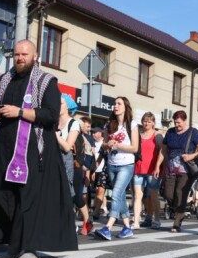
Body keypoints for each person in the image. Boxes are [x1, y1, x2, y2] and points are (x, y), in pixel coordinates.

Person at [0, 40, 77, 258]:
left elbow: (51, 116)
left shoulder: (46, 81)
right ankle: (12, 240)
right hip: (4, 150)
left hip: (34, 151)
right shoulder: (6, 79)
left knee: (27, 201)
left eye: (25, 54)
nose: (20, 58)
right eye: (16, 54)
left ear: (35, 56)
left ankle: (27, 248)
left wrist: (20, 112)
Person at [154, 110, 198, 233]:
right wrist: (157, 166)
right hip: (171, 169)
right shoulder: (170, 132)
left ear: (185, 120)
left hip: (186, 170)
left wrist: (192, 156)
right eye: (175, 122)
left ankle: (177, 222)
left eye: (179, 123)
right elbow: (163, 150)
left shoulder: (193, 132)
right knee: (168, 194)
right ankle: (180, 210)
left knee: (180, 193)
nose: (177, 125)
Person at [95, 97, 139, 241]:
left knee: (115, 194)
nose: (116, 106)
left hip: (126, 165)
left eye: (119, 104)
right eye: (115, 103)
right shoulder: (109, 124)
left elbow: (135, 148)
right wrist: (108, 144)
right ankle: (127, 227)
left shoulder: (131, 124)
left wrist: (119, 145)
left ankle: (108, 227)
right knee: (119, 196)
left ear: (126, 107)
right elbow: (103, 145)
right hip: (112, 164)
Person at [56, 95, 93, 236]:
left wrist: (56, 136)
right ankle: (66, 224)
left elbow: (67, 147)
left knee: (76, 197)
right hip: (57, 163)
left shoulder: (74, 124)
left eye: (61, 103)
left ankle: (87, 220)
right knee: (60, 195)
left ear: (68, 106)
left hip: (74, 165)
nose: (57, 105)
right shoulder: (54, 122)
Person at [133, 112, 163, 229]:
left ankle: (156, 219)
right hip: (138, 168)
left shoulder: (157, 135)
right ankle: (136, 221)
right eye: (145, 121)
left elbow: (162, 151)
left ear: (153, 123)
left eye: (149, 121)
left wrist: (157, 166)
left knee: (153, 196)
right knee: (138, 195)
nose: (146, 123)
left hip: (152, 170)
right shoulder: (139, 135)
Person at [90, 127, 108, 220]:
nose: (93, 134)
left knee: (117, 193)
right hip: (103, 170)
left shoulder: (115, 142)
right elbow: (100, 157)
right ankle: (96, 212)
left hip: (114, 169)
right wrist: (93, 170)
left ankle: (115, 212)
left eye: (95, 132)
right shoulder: (103, 145)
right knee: (100, 191)